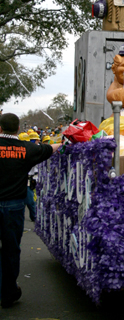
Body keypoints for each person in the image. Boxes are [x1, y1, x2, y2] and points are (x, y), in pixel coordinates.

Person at [0, 113, 61, 308]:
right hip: (14, 207)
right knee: (11, 250)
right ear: (18, 129)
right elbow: (51, 149)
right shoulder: (26, 149)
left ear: (0, 128)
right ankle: (8, 292)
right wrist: (66, 142)